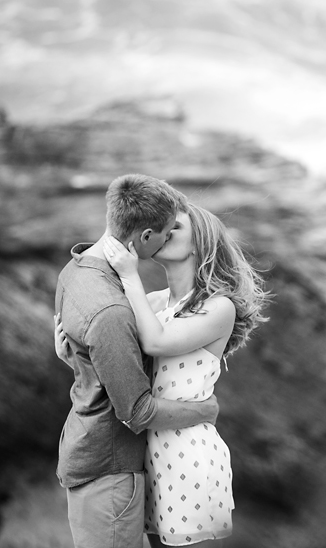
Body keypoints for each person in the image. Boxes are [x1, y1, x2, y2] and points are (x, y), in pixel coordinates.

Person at [53, 174, 220, 548]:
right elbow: (137, 412)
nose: (168, 240)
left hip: (89, 454)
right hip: (109, 472)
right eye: (164, 232)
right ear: (144, 237)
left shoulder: (75, 270)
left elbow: (96, 358)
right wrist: (205, 412)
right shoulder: (112, 310)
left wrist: (75, 360)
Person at [89, 202, 268, 546]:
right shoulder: (153, 303)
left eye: (175, 229)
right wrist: (67, 349)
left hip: (186, 453)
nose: (163, 233)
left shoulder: (219, 307)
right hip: (143, 450)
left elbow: (156, 342)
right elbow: (111, 354)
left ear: (200, 243)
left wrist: (129, 275)